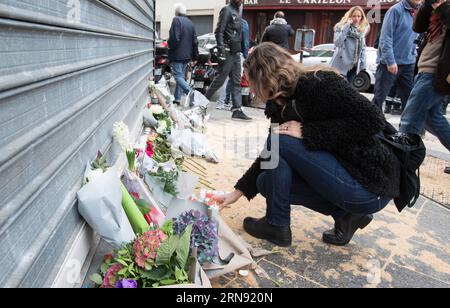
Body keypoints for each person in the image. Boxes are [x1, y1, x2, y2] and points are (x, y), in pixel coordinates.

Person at [217, 43, 402, 247]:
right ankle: (344, 215)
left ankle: (277, 225)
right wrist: (237, 192)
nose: (250, 87)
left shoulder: (319, 83)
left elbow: (373, 119)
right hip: (348, 179)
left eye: (251, 81)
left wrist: (307, 132)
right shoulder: (279, 102)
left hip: (370, 185)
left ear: (265, 77)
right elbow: (271, 154)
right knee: (265, 181)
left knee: (279, 140)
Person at [399, 0, 450, 174]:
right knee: (432, 119)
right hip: (425, 69)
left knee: (409, 120)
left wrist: (442, 7)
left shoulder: (445, 8)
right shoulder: (437, 9)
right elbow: (418, 27)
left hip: (437, 72)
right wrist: (428, 4)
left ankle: (402, 165)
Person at [372, 0, 422, 111]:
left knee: (409, 100)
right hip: (390, 64)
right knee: (379, 99)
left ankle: (408, 128)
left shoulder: (420, 10)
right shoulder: (395, 10)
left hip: (409, 63)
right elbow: (386, 37)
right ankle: (372, 126)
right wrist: (390, 61)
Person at [205, 0, 251, 120]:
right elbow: (219, 31)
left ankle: (237, 109)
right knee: (220, 80)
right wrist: (221, 50)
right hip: (227, 50)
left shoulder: (237, 11)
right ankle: (201, 104)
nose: (241, 1)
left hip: (236, 51)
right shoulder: (227, 10)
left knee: (236, 81)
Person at [167, 3, 199, 106]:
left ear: (176, 12)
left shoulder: (176, 20)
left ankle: (190, 92)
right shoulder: (190, 23)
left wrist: (169, 45)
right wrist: (195, 56)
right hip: (187, 55)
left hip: (177, 54)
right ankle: (177, 99)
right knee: (181, 77)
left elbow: (174, 38)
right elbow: (195, 41)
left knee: (177, 76)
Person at [330, 6, 370, 84]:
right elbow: (338, 43)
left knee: (349, 89)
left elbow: (362, 49)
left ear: (362, 18)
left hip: (354, 66)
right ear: (349, 16)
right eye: (354, 16)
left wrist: (363, 64)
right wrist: (346, 27)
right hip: (341, 64)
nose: (356, 18)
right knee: (338, 88)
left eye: (359, 16)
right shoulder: (340, 27)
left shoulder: (361, 30)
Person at [216, 18, 250, 110]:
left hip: (225, 53)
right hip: (237, 54)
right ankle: (233, 104)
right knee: (236, 80)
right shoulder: (243, 23)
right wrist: (246, 55)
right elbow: (245, 41)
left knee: (224, 79)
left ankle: (220, 103)